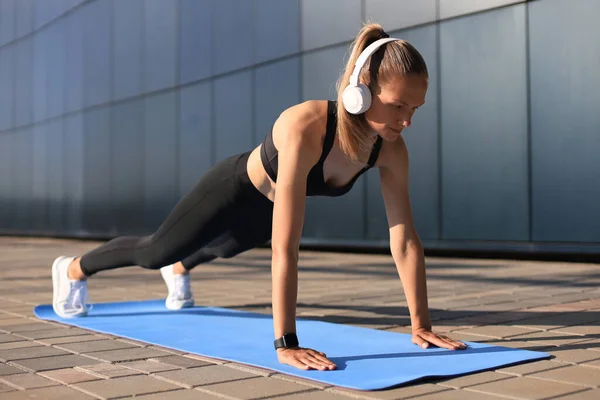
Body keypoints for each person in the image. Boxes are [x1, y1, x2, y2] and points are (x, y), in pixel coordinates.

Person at [51, 23, 466, 372]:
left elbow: (405, 240)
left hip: (262, 214)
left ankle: (182, 266)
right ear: (360, 90)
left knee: (227, 248)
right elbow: (286, 247)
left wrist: (420, 324)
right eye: (397, 106)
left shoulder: (390, 149)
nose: (407, 121)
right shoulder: (306, 126)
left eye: (416, 108)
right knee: (155, 251)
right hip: (233, 191)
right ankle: (73, 270)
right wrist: (285, 341)